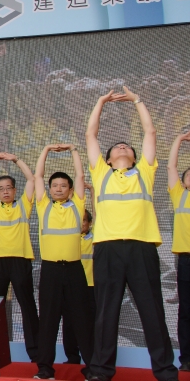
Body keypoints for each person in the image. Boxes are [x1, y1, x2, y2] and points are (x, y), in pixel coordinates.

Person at [85, 88, 178, 381]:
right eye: (117, 148)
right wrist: (100, 102)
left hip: (141, 248)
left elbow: (150, 132)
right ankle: (101, 371)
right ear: (108, 160)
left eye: (127, 147)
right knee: (106, 313)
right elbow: (91, 135)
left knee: (152, 312)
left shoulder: (144, 173)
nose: (123, 147)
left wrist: (137, 100)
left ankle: (165, 371)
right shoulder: (101, 173)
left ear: (136, 159)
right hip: (108, 249)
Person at [32, 143, 94, 380]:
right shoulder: (43, 206)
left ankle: (92, 369)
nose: (59, 189)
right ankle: (45, 369)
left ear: (70, 190)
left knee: (82, 319)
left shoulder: (77, 205)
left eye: (63, 186)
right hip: (50, 270)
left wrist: (74, 151)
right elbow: (38, 176)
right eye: (55, 185)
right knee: (48, 320)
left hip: (74, 270)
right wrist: (46, 149)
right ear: (49, 189)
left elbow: (80, 175)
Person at [0, 152, 39, 363]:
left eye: (9, 188)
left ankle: (35, 354)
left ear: (15, 190)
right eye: (2, 189)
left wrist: (16, 160)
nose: (6, 191)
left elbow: (32, 179)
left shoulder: (24, 205)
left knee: (27, 306)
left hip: (20, 260)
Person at [62, 204, 95, 365]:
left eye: (84, 220)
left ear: (90, 223)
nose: (81, 224)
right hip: (72, 287)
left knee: (91, 323)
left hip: (91, 287)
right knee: (69, 323)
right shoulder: (68, 238)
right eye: (78, 220)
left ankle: (93, 358)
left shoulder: (96, 240)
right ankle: (72, 357)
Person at [169, 130, 190, 371]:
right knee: (186, 311)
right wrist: (179, 139)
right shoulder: (179, 196)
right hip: (186, 260)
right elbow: (171, 167)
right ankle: (187, 359)